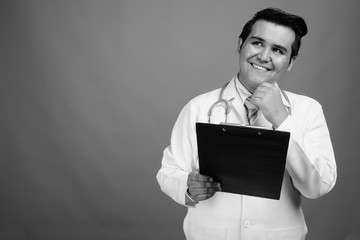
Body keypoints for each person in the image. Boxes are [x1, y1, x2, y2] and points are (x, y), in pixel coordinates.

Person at [156, 7, 336, 240]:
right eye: (258, 43)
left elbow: (318, 186)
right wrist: (188, 187)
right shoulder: (198, 107)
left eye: (278, 50)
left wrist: (282, 119)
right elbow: (168, 171)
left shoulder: (308, 110)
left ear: (290, 62)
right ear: (240, 44)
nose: (263, 56)